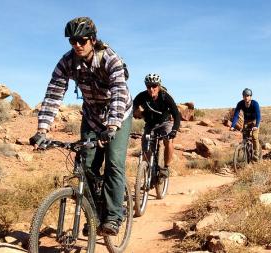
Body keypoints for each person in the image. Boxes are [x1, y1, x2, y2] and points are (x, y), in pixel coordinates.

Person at [29, 17, 132, 236]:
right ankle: (93, 216)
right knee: (86, 166)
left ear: (92, 40)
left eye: (81, 40)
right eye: (72, 41)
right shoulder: (67, 61)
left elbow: (119, 93)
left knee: (113, 162)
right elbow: (54, 93)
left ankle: (113, 217)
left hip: (119, 115)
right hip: (92, 116)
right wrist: (42, 129)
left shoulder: (110, 59)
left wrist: (112, 125)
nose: (76, 45)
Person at [133, 73, 180, 178]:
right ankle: (147, 172)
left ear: (158, 86)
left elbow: (176, 115)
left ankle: (166, 168)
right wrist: (135, 113)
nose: (151, 89)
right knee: (146, 147)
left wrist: (174, 130)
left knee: (168, 140)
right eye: (148, 86)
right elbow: (132, 107)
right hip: (150, 124)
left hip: (165, 122)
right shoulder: (142, 96)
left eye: (154, 86)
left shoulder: (165, 97)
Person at [230, 88, 261, 161]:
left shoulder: (255, 104)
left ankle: (256, 154)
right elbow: (236, 115)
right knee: (244, 139)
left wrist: (256, 126)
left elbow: (258, 115)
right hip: (247, 121)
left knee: (254, 136)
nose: (246, 97)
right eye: (245, 96)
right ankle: (247, 157)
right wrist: (232, 126)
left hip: (254, 121)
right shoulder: (240, 104)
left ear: (251, 97)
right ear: (243, 96)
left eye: (248, 96)